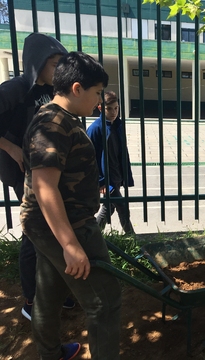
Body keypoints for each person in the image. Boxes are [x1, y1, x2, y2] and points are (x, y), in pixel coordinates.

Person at [20, 51, 122, 360]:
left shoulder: (61, 119)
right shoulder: (52, 123)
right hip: (66, 225)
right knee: (105, 300)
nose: (99, 102)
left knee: (49, 293)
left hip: (52, 223)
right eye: (96, 94)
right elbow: (44, 186)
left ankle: (51, 354)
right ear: (77, 88)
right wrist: (70, 244)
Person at [0, 32, 75, 320]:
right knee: (35, 235)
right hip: (23, 173)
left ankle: (55, 293)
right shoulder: (15, 89)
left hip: (43, 170)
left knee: (52, 232)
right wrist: (10, 147)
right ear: (37, 62)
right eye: (55, 63)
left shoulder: (49, 90)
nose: (60, 70)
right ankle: (31, 302)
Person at [86, 91, 135, 234]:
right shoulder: (96, 128)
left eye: (116, 108)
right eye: (109, 109)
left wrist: (125, 175)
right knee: (122, 207)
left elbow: (122, 152)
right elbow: (90, 158)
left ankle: (92, 236)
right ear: (100, 108)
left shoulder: (117, 125)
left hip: (116, 175)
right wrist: (101, 182)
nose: (114, 112)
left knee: (109, 208)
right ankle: (132, 238)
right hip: (106, 180)